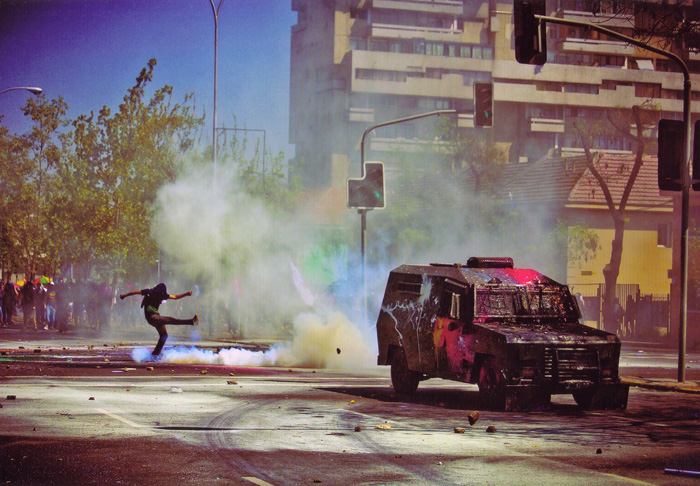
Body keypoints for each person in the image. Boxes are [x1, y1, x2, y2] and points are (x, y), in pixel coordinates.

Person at [120, 283, 198, 356]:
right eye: (161, 293)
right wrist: (124, 295)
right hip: (152, 317)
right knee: (171, 320)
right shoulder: (150, 292)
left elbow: (175, 297)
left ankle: (155, 353)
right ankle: (191, 321)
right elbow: (136, 292)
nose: (162, 295)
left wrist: (186, 294)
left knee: (164, 335)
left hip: (156, 316)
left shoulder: (162, 294)